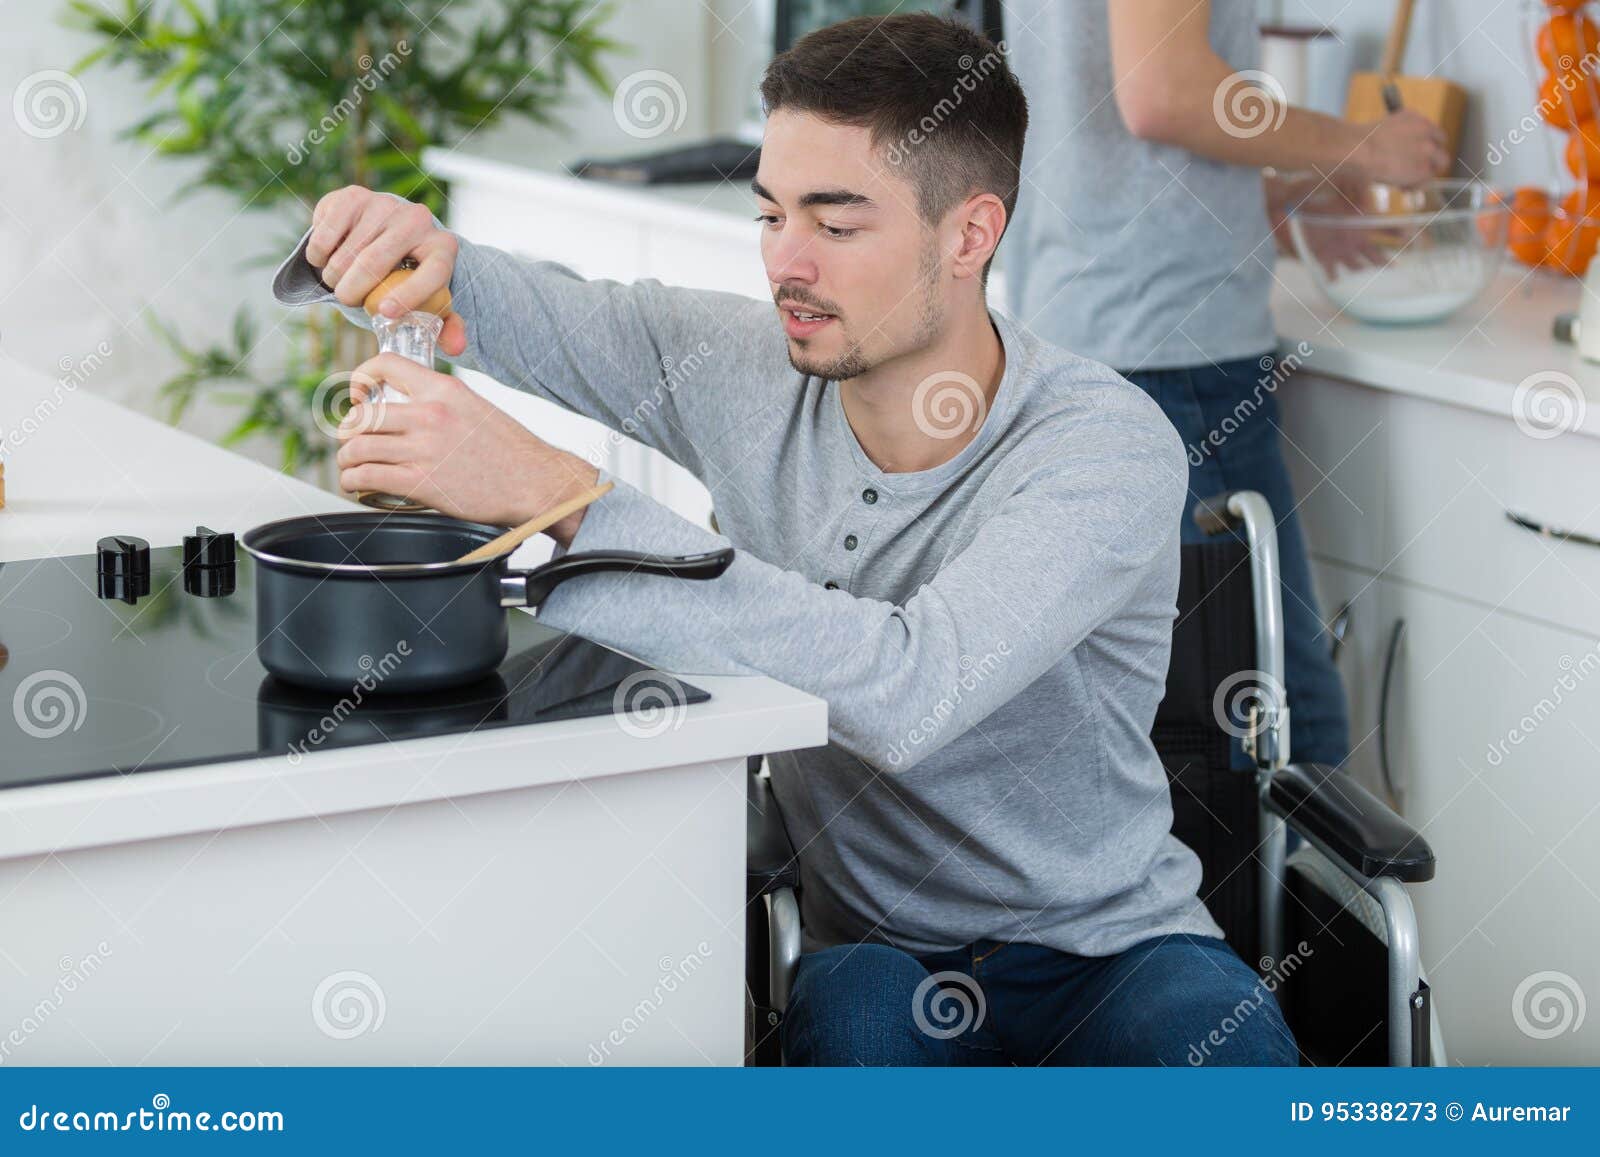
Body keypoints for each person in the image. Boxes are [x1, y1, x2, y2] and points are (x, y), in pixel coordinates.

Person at [272, 13, 1296, 1066]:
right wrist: (396, 244)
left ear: (970, 234)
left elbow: (911, 691)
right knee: (850, 1041)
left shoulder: (1102, 444)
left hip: (1114, 946)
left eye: (836, 224)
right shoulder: (741, 367)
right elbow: (495, 298)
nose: (785, 265)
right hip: (879, 947)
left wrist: (561, 498)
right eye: (769, 214)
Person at [1006, 0, 1448, 769]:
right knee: (1279, 731)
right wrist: (1359, 147)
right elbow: (1164, 92)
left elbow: (1106, 115)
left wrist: (1264, 197)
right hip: (1173, 352)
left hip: (1081, 327)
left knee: (1149, 724)